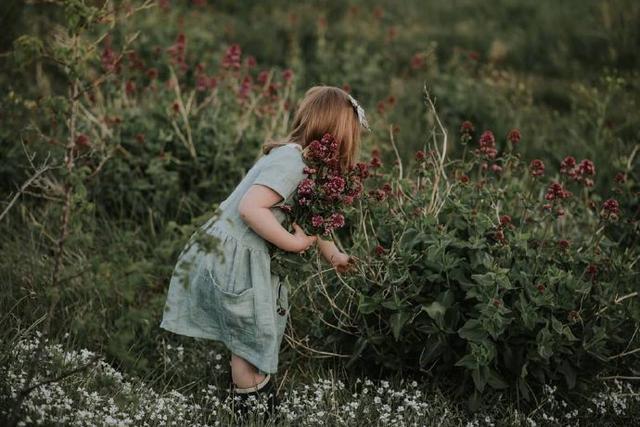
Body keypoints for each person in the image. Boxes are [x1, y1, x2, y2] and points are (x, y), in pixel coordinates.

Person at [159, 85, 368, 417]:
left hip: (229, 256)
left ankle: (255, 407)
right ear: (337, 134)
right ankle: (257, 414)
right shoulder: (293, 161)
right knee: (252, 345)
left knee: (250, 338)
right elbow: (251, 208)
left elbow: (310, 218)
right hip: (236, 261)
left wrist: (334, 256)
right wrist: (295, 244)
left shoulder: (301, 162)